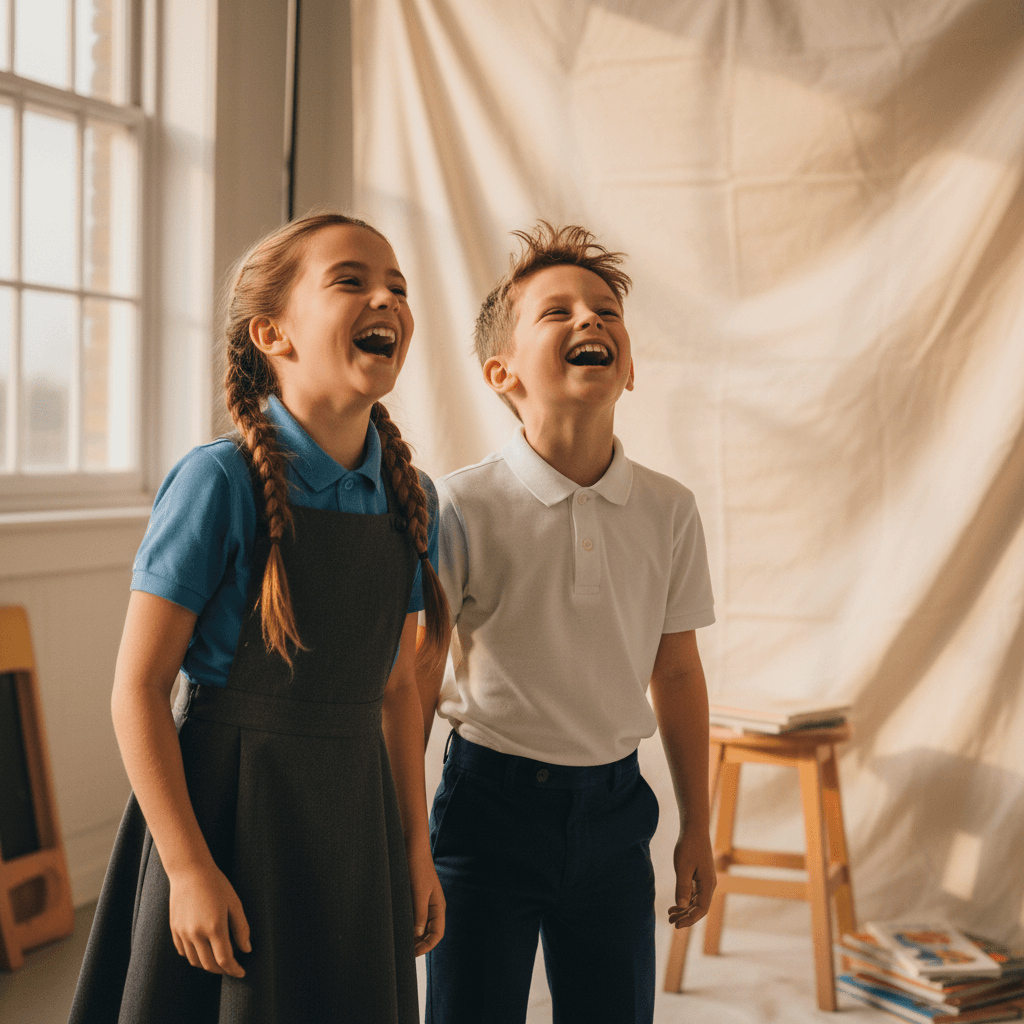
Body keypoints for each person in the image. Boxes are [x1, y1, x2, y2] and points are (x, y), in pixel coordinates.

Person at [69, 213, 447, 1024]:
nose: (387, 298)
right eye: (350, 280)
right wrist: (187, 869)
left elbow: (396, 695)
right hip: (225, 818)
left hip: (356, 824)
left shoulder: (414, 500)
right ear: (272, 333)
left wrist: (415, 850)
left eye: (398, 286)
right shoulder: (216, 482)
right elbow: (138, 690)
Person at [418, 223, 717, 1024]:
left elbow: (677, 671)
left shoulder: (670, 510)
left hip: (617, 817)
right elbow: (413, 682)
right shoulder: (459, 505)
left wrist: (697, 825)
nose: (590, 319)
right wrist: (405, 836)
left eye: (606, 311)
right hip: (486, 812)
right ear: (501, 372)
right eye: (558, 312)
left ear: (630, 368)